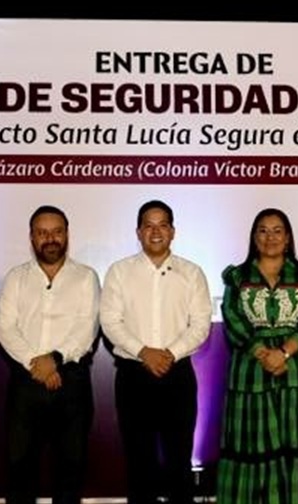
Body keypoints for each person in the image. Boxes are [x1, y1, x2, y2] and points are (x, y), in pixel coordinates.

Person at [99, 199, 213, 504]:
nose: (156, 231)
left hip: (178, 377)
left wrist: (170, 353)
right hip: (133, 376)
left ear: (173, 231)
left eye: (163, 225)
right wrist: (143, 352)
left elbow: (201, 325)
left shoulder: (192, 273)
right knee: (139, 462)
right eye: (148, 226)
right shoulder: (119, 271)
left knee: (179, 461)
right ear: (138, 232)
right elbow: (110, 321)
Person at [216, 207, 298, 504]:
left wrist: (284, 352)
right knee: (251, 447)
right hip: (250, 372)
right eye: (263, 231)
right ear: (254, 237)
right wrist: (263, 353)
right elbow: (232, 318)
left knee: (297, 445)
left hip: (297, 371)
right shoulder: (237, 276)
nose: (270, 237)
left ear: (288, 238)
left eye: (277, 231)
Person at [0, 205, 100, 504]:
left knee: (71, 468)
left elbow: (87, 328)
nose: (50, 239)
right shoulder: (16, 277)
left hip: (72, 382)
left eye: (57, 232)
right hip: (25, 381)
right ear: (32, 237)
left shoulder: (86, 277)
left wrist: (53, 360)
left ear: (67, 235)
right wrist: (37, 364)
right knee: (19, 467)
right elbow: (6, 329)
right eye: (42, 233)